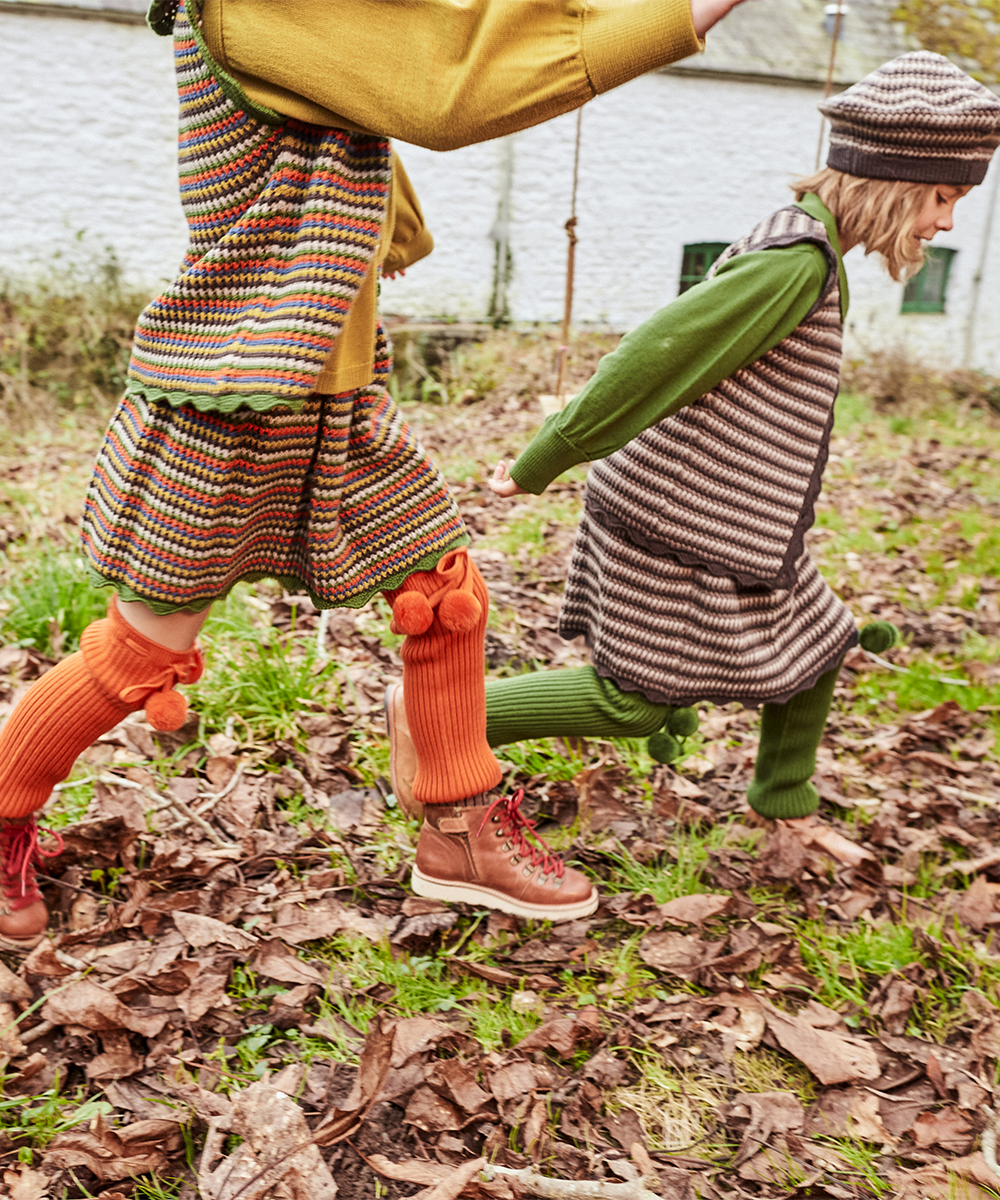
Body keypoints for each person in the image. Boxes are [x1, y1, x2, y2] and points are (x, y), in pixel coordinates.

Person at [0, 0, 753, 949]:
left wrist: (382, 234)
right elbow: (448, 83)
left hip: (335, 393)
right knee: (141, 656)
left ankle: (457, 832)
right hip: (233, 396)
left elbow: (369, 98)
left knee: (445, 596)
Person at [387, 53, 1000, 853]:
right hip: (675, 522)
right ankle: (438, 714)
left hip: (727, 522)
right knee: (632, 702)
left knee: (819, 647)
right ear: (890, 178)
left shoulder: (808, 242)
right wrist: (549, 455)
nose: (947, 221)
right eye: (943, 196)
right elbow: (658, 352)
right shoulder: (792, 267)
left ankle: (783, 814)